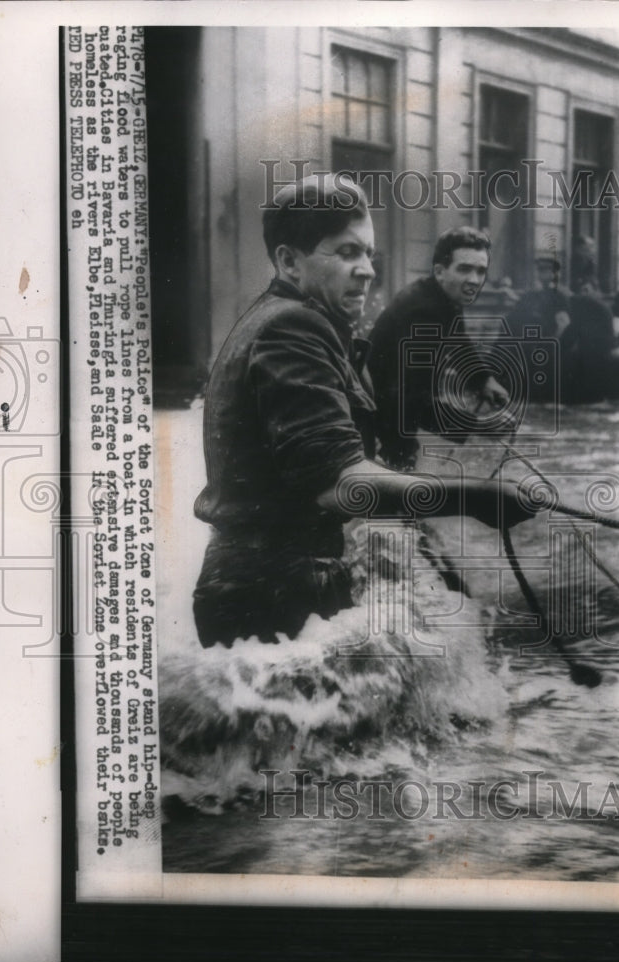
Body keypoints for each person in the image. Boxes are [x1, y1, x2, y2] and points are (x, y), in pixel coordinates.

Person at [192, 175, 535, 648]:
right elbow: (340, 485)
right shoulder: (292, 327)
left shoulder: (282, 318)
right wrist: (478, 496)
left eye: (369, 254)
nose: (368, 270)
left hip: (261, 584)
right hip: (277, 590)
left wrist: (478, 385)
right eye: (347, 252)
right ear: (289, 260)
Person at [367, 227, 511, 471]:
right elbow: (409, 402)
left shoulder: (442, 296)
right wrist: (478, 425)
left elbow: (458, 341)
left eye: (481, 271)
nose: (474, 280)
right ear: (439, 271)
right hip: (374, 423)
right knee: (400, 492)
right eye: (464, 269)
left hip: (387, 416)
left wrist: (482, 380)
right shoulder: (423, 314)